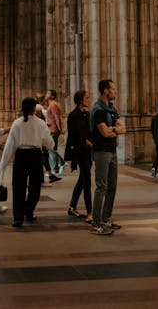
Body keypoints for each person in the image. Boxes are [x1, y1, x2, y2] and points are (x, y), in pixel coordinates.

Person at [0, 97, 54, 227]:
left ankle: (18, 218)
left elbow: (10, 144)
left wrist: (3, 163)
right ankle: (28, 211)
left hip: (21, 155)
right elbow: (49, 142)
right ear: (35, 108)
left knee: (18, 187)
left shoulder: (17, 123)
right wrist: (50, 145)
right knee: (35, 188)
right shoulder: (40, 123)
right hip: (35, 155)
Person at [89, 79, 126, 235]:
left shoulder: (111, 108)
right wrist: (114, 130)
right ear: (105, 90)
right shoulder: (98, 110)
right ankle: (96, 223)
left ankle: (106, 219)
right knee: (101, 187)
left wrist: (113, 130)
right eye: (113, 89)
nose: (115, 91)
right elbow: (104, 133)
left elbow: (123, 128)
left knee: (112, 187)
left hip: (112, 151)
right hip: (101, 152)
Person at [66, 89, 94, 223]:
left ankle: (72, 206)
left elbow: (90, 132)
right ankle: (90, 212)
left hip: (88, 152)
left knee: (82, 180)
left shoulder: (87, 114)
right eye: (87, 98)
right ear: (80, 100)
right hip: (79, 152)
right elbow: (74, 137)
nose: (89, 100)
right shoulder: (73, 116)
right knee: (87, 181)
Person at [44, 89, 64, 183]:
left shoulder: (53, 104)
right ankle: (55, 168)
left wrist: (59, 129)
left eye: (48, 93)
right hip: (51, 129)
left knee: (51, 150)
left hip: (53, 129)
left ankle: (58, 165)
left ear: (52, 96)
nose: (46, 94)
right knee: (51, 149)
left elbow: (57, 116)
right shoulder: (51, 104)